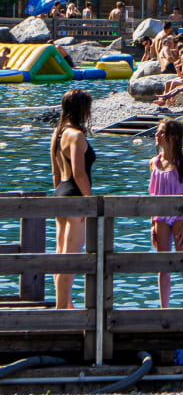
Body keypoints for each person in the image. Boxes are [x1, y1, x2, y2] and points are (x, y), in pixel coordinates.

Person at [51, 89, 94, 309]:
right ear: (81, 109)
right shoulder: (76, 136)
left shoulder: (57, 132)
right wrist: (90, 201)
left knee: (60, 254)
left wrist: (59, 196)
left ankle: (66, 305)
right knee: (70, 259)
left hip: (60, 194)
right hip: (76, 198)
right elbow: (79, 173)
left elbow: (56, 174)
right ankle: (61, 311)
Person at [149, 118, 183, 308]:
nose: (157, 135)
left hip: (180, 215)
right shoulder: (154, 162)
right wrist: (152, 224)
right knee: (163, 265)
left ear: (173, 137)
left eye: (161, 132)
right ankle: (164, 309)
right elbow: (151, 197)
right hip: (160, 215)